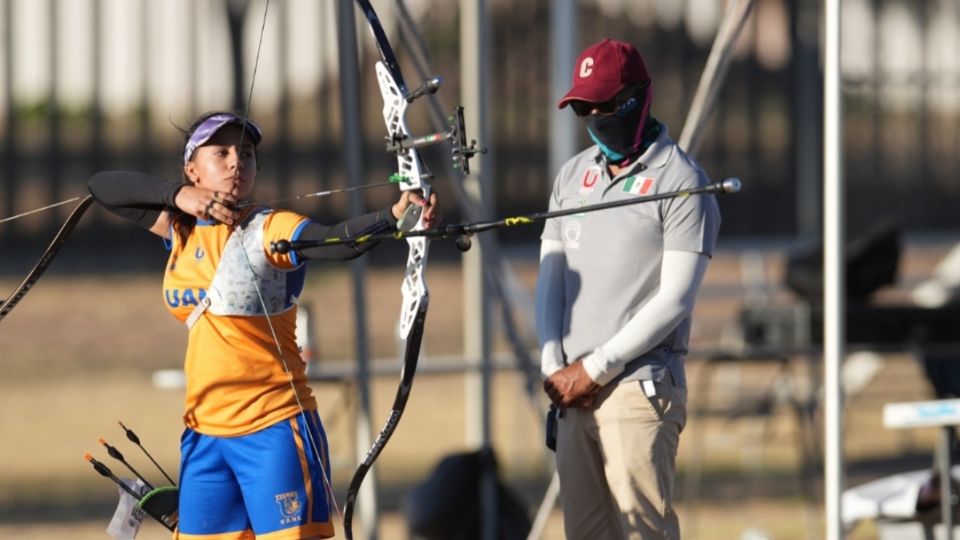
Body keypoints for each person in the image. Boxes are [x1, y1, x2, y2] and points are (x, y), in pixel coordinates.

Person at [86, 111, 439, 539]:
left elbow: (337, 241)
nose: (237, 162)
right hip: (204, 436)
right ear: (192, 169)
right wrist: (179, 197)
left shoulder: (272, 227)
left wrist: (393, 216)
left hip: (275, 429)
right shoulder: (179, 229)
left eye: (247, 153)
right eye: (221, 153)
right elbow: (102, 187)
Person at [536, 39, 721, 539]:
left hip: (639, 388)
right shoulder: (571, 176)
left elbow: (675, 300)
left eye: (607, 104)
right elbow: (551, 273)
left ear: (641, 96)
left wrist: (595, 369)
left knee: (644, 531)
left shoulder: (683, 182)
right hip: (571, 393)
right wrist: (553, 364)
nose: (595, 116)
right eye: (585, 108)